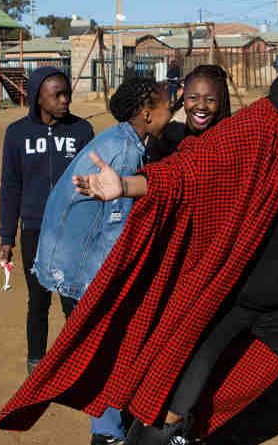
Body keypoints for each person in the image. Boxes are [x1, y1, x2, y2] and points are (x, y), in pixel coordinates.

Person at [0, 10, 278, 445]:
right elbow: (188, 170)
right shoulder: (257, 126)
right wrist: (128, 185)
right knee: (170, 408)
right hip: (226, 293)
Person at [30, 77, 172, 445]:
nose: (172, 112)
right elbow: (115, 230)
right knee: (110, 345)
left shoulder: (127, 140)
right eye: (167, 106)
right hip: (83, 264)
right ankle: (106, 433)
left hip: (73, 256)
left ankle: (111, 424)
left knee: (110, 344)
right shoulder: (123, 154)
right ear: (146, 113)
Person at [0, 66, 94, 375]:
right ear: (39, 98)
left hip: (73, 230)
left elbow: (93, 181)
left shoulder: (81, 131)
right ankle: (36, 365)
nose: (65, 100)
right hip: (35, 230)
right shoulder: (17, 134)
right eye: (57, 95)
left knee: (73, 300)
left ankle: (78, 364)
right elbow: (11, 186)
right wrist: (6, 237)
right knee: (38, 302)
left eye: (66, 94)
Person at [147, 64, 232, 162]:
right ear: (184, 98)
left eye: (210, 99)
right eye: (193, 98)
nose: (201, 106)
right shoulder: (171, 133)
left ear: (221, 102)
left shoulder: (226, 143)